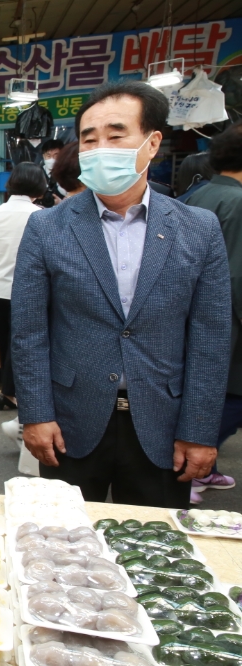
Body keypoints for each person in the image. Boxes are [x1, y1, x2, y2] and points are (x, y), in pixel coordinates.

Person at [11, 80, 231, 509]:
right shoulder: (47, 227)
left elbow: (211, 337)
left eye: (115, 135)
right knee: (59, 545)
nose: (99, 148)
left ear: (152, 144)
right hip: (70, 421)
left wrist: (200, 429)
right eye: (89, 139)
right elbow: (29, 331)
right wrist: (35, 415)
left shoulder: (199, 228)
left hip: (164, 424)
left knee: (156, 552)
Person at [184, 120, 242, 502]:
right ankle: (194, 467)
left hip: (186, 314)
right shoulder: (237, 201)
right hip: (224, 320)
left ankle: (206, 466)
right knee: (227, 395)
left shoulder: (196, 194)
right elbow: (235, 277)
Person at [0, 163, 46, 413]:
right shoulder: (41, 215)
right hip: (30, 292)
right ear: (39, 186)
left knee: (5, 342)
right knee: (26, 344)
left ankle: (8, 392)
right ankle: (14, 394)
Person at [37, 139, 66, 207]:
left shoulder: (67, 174)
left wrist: (61, 203)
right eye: (48, 156)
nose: (52, 159)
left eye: (56, 155)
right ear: (43, 156)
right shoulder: (37, 173)